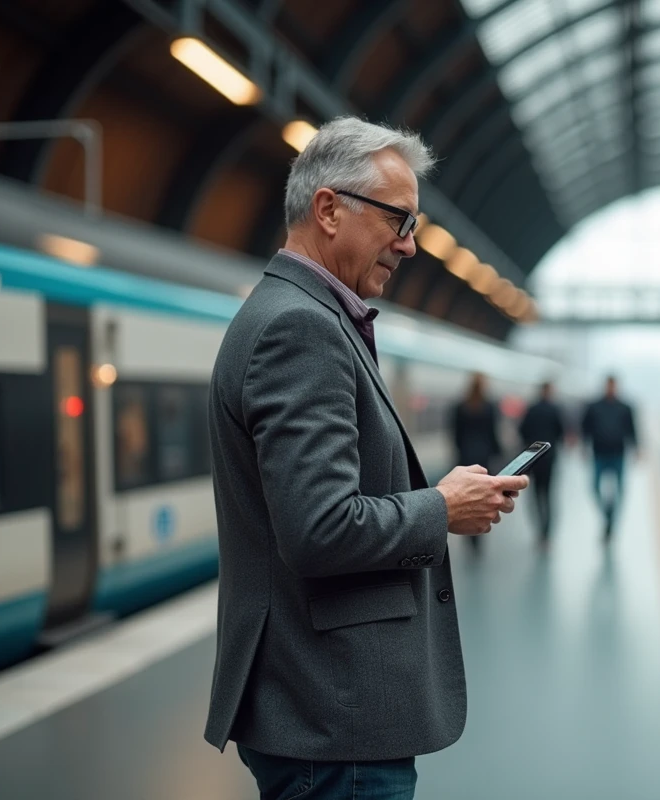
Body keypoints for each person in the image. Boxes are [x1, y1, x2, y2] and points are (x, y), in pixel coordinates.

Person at [204, 116, 529, 800]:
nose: (410, 247)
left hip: (323, 712)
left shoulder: (296, 313)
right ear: (328, 210)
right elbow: (319, 528)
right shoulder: (301, 329)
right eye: (399, 221)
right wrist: (441, 508)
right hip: (334, 716)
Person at [580, 375, 638, 541]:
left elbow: (632, 429)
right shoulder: (594, 406)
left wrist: (637, 449)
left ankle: (611, 522)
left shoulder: (625, 407)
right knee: (595, 488)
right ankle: (607, 514)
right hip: (599, 453)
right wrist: (583, 447)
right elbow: (586, 427)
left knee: (619, 492)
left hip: (618, 454)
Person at [450, 373, 502, 551]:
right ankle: (479, 533)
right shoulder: (489, 407)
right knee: (482, 494)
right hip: (484, 457)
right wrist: (498, 453)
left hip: (465, 456)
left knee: (465, 494)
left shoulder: (460, 406)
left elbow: (455, 435)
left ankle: (469, 536)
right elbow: (493, 434)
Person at [518, 381, 565, 547]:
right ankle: (547, 531)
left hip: (533, 458)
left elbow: (522, 430)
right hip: (550, 458)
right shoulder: (555, 409)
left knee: (536, 495)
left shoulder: (532, 409)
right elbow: (561, 432)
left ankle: (539, 530)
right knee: (549, 494)